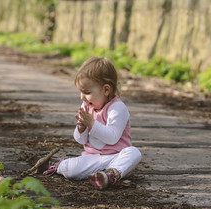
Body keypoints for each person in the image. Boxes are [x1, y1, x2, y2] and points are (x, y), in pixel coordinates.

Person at [44, 57, 141, 190]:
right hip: (92, 158)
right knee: (70, 169)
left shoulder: (118, 108)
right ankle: (57, 167)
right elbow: (80, 140)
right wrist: (81, 129)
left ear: (106, 90)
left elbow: (112, 138)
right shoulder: (87, 105)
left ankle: (111, 174)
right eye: (80, 92)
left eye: (87, 92)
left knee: (133, 153)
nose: (82, 97)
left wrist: (92, 124)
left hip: (115, 156)